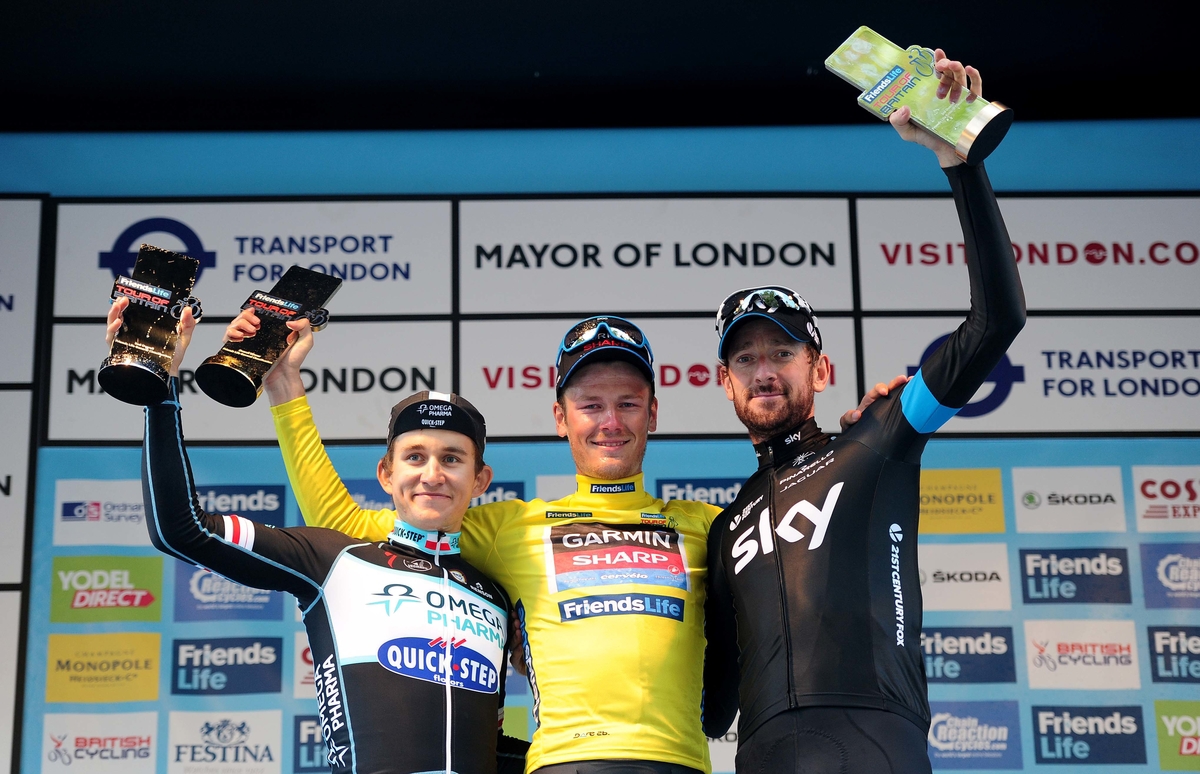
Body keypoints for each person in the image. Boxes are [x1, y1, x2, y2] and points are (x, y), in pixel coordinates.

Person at [227, 308, 897, 774]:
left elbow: (802, 542)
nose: (610, 422)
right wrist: (285, 387)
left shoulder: (706, 523)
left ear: (654, 414)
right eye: (590, 406)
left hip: (681, 764)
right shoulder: (509, 525)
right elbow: (344, 524)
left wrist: (846, 446)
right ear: (561, 418)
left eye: (628, 403)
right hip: (563, 764)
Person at [702, 52, 1026, 774]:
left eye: (782, 354)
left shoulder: (880, 435)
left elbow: (995, 322)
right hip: (761, 753)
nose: (764, 371)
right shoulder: (725, 528)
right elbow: (711, 705)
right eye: (745, 358)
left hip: (875, 738)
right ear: (724, 383)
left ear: (819, 370)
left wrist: (961, 165)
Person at [106, 296, 528, 774]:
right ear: (386, 475)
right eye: (415, 457)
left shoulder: (494, 593)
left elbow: (491, 750)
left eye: (452, 458)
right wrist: (160, 390)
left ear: (480, 480)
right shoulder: (334, 557)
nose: (432, 474)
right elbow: (181, 530)